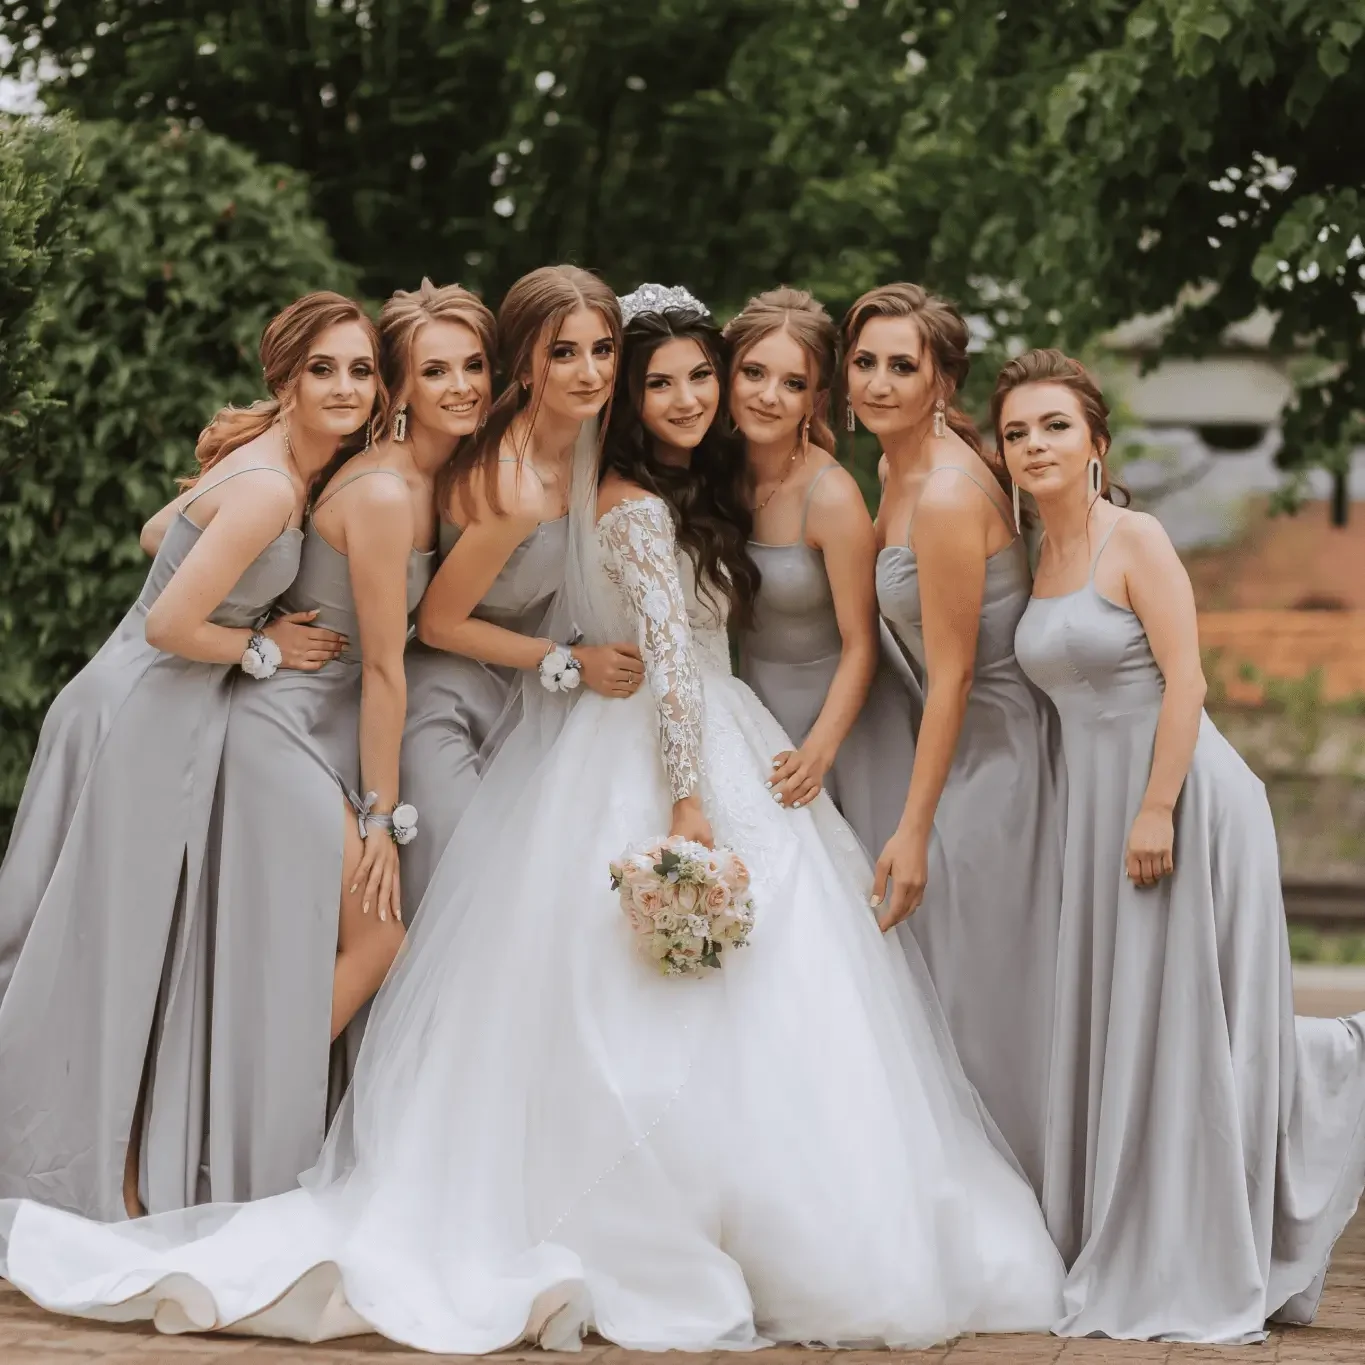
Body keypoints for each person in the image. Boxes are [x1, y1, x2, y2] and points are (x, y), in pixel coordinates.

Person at [0, 282, 1064, 1353]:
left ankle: (695, 1204)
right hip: (612, 735)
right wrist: (684, 793)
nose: (667, 391)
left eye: (665, 367)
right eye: (647, 374)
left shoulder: (681, 483)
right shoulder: (592, 498)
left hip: (661, 734)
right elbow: (460, 633)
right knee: (558, 975)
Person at [1002, 347, 1365, 1342]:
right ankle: (1151, 1214)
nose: (1034, 444)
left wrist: (1157, 808)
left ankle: (1336, 1070)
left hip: (1183, 799)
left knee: (1183, 1024)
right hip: (1096, 812)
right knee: (1145, 1023)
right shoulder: (1038, 556)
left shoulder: (1137, 537)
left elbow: (1187, 681)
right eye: (1017, 431)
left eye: (1054, 427)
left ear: (1096, 444)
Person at [0, 292, 376, 1220]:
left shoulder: (268, 469)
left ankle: (114, 1163)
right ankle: (82, 1174)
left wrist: (243, 606)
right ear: (283, 380)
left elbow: (156, 534)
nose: (344, 386)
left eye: (361, 368)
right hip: (143, 712)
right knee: (105, 950)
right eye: (321, 368)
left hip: (140, 703)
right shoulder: (271, 487)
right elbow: (171, 622)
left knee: (102, 940)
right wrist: (265, 645)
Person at [169, 282, 491, 1210]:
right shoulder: (387, 489)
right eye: (435, 371)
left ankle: (270, 1122)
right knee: (381, 934)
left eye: (473, 366)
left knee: (343, 942)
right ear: (403, 385)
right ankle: (242, 1131)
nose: (461, 386)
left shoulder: (434, 478)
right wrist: (383, 818)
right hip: (282, 734)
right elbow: (386, 668)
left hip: (330, 730)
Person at [850, 282, 1065, 1193]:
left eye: (904, 365)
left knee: (981, 991)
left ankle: (1021, 1194)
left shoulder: (941, 491)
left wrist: (910, 825)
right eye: (864, 362)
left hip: (993, 753)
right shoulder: (896, 468)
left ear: (941, 380)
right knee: (961, 980)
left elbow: (955, 676)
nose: (879, 382)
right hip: (961, 742)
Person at [402, 265, 644, 917]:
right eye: (563, 353)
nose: (589, 371)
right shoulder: (514, 488)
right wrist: (570, 663)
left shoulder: (586, 443)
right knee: (469, 896)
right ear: (526, 366)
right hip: (449, 704)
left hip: (526, 706)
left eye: (602, 349)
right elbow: (437, 623)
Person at [728, 287, 918, 860]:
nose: (768, 396)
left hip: (845, 724)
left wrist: (820, 751)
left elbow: (863, 642)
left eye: (793, 384)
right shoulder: (713, 475)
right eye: (753, 373)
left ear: (817, 399)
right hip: (755, 709)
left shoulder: (830, 496)